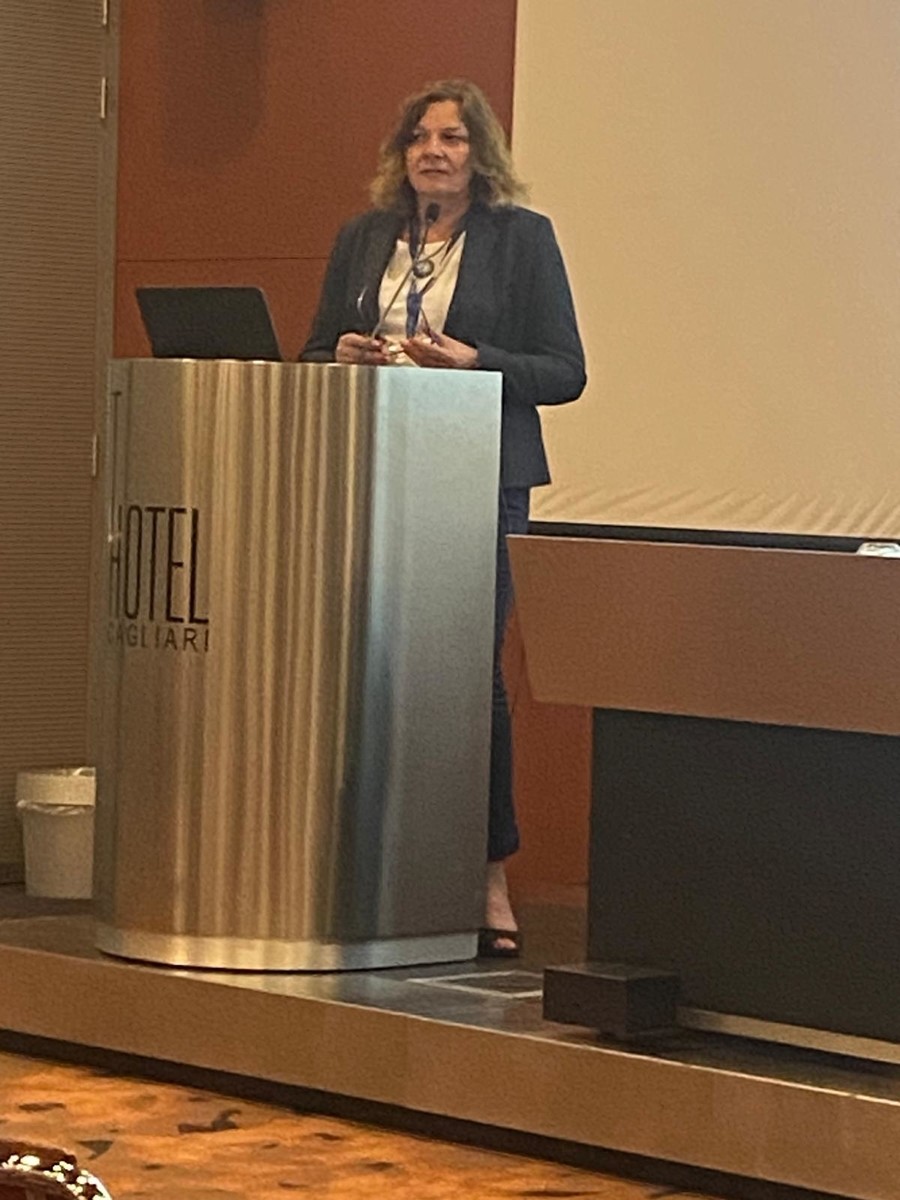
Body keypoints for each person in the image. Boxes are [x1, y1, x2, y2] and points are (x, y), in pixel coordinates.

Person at [300, 79, 585, 957]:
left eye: (453, 138)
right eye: (420, 137)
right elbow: (311, 350)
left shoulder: (521, 239)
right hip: (371, 470)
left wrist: (474, 360)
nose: (433, 151)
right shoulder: (365, 238)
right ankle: (364, 868)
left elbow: (565, 371)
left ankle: (488, 873)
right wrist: (341, 355)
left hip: (479, 476)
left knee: (469, 673)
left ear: (479, 154)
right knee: (361, 666)